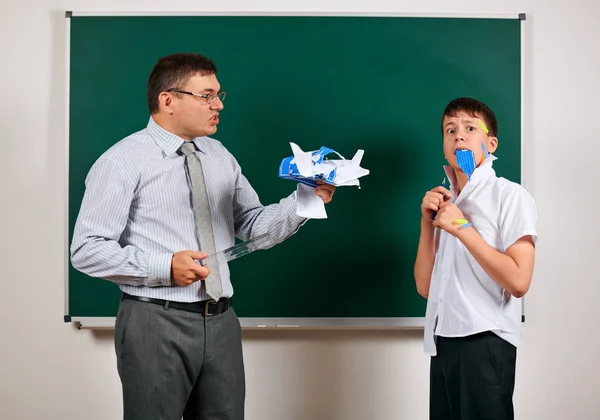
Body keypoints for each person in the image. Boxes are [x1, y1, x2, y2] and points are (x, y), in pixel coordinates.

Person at [70, 52, 336, 420]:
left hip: (222, 321)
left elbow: (255, 227)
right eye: (206, 96)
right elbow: (86, 250)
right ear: (168, 100)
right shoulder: (121, 162)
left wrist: (306, 199)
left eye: (219, 95)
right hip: (154, 322)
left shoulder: (218, 155)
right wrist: (165, 266)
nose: (218, 106)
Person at [414, 97, 537, 420]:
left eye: (470, 128)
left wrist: (461, 227)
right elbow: (425, 288)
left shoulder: (510, 196)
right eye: (450, 130)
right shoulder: (445, 203)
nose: (459, 136)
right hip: (443, 343)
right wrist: (428, 224)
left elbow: (519, 280)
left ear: (491, 142)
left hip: (485, 341)